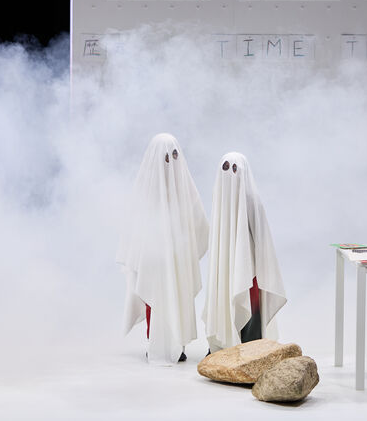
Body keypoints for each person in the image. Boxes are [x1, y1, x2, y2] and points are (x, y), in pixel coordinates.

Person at [117, 133, 208, 364]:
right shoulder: (145, 189)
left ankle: (179, 343)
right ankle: (155, 343)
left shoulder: (184, 187)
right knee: (155, 297)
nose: (171, 161)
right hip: (154, 259)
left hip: (178, 257)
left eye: (175, 155)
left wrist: (187, 248)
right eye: (166, 157)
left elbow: (199, 222)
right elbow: (135, 227)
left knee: (178, 295)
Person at [202, 152, 286, 353]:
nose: (230, 174)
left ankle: (250, 348)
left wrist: (255, 263)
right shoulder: (220, 197)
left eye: (235, 169)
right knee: (224, 298)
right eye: (225, 169)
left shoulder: (252, 200)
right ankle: (222, 345)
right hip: (224, 265)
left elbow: (262, 238)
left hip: (247, 267)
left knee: (248, 305)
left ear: (244, 172)